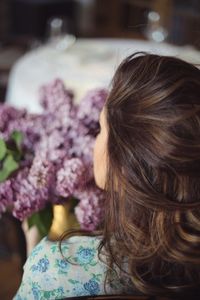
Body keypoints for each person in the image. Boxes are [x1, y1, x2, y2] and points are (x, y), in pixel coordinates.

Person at [14, 53, 200, 299]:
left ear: (122, 165)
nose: (94, 140)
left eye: (101, 129)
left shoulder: (54, 269)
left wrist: (33, 251)